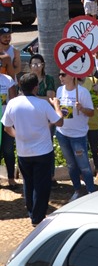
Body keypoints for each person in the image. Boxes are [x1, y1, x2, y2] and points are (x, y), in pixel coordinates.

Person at [2, 73, 63, 226]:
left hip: (24, 152)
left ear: (19, 87)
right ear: (36, 87)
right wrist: (56, 106)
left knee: (28, 184)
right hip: (43, 152)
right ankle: (37, 217)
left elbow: (6, 127)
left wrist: (18, 136)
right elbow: (60, 122)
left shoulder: (12, 104)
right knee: (41, 186)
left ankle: (32, 212)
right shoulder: (42, 104)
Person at [55, 71, 95, 200]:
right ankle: (77, 190)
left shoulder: (82, 92)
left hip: (78, 135)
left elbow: (91, 113)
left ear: (72, 76)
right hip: (62, 133)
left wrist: (82, 109)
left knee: (84, 165)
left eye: (63, 75)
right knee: (71, 165)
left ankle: (91, 191)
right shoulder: (59, 90)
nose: (60, 77)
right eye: (60, 75)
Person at [0, 69, 18, 189]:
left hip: (6, 121)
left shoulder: (7, 79)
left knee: (8, 150)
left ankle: (11, 179)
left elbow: (13, 101)